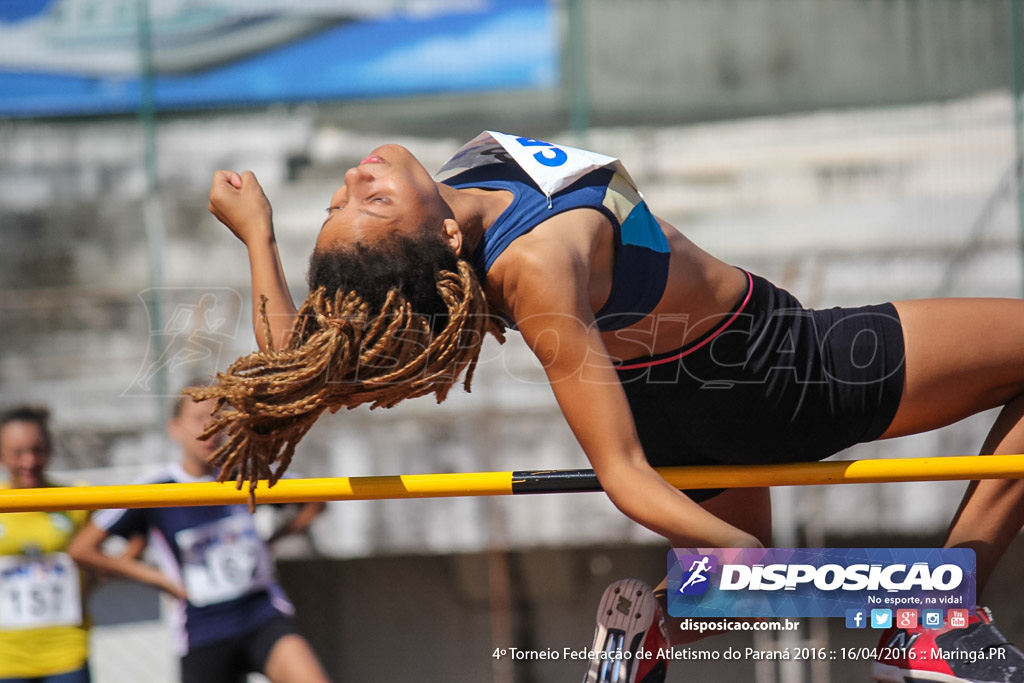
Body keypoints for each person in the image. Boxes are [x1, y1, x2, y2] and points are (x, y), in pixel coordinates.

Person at [190, 131, 1024, 683]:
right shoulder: (532, 265)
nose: (354, 179)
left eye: (345, 201)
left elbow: (306, 365)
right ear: (444, 237)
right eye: (365, 201)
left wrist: (260, 232)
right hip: (774, 363)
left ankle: (653, 632)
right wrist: (746, 559)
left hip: (680, 402)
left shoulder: (448, 243)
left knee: (732, 586)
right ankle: (934, 620)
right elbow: (619, 472)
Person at [68, 383, 330, 683]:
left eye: (219, 417)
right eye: (199, 418)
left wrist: (272, 542)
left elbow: (316, 500)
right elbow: (81, 549)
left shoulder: (245, 473)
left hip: (260, 611)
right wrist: (156, 578)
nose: (211, 428)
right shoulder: (155, 489)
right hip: (201, 625)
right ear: (174, 428)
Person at [0, 406, 92, 683]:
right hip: (7, 659)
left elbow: (125, 532)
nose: (29, 461)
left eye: (37, 450)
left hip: (66, 652)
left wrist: (91, 583)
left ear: (49, 449)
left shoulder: (76, 501)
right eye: (18, 452)